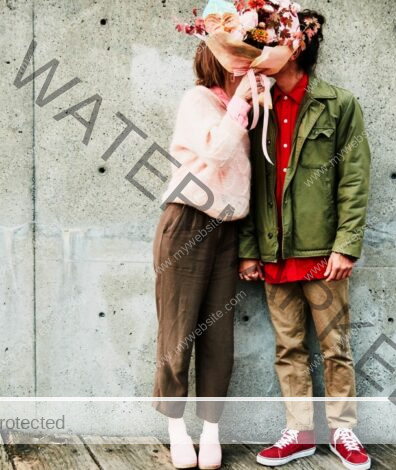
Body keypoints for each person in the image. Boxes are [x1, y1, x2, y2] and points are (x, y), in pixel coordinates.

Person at [237, 10, 373, 470]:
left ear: (294, 47)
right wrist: (249, 249)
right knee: (288, 348)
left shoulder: (339, 104)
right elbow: (246, 182)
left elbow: (354, 179)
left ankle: (343, 431)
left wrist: (346, 245)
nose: (258, 52)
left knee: (335, 346)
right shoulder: (255, 106)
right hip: (273, 251)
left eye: (268, 43)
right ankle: (300, 433)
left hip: (322, 254)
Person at [151, 43, 263, 470]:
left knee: (219, 338)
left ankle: (211, 432)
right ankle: (176, 430)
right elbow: (215, 151)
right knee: (178, 332)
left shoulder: (248, 108)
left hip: (227, 230)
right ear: (217, 61)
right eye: (237, 57)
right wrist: (240, 102)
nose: (245, 64)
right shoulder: (197, 100)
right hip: (188, 220)